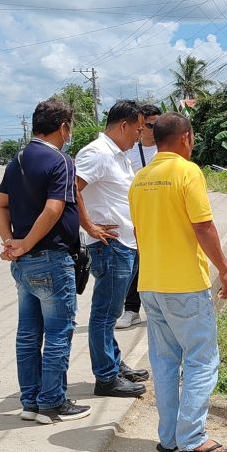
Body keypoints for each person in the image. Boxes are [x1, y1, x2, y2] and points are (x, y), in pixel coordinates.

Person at [129, 112, 227, 452]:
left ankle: (169, 436)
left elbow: (138, 232)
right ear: (186, 138)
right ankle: (192, 437)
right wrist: (225, 270)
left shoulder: (141, 178)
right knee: (202, 359)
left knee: (164, 361)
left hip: (150, 283)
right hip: (184, 285)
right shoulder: (188, 172)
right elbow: (204, 227)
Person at [0, 98, 91, 424]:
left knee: (28, 334)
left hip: (25, 266)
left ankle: (30, 403)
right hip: (51, 258)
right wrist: (24, 243)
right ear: (63, 127)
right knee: (59, 332)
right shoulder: (61, 160)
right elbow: (53, 209)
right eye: (70, 127)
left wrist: (12, 242)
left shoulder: (17, 159)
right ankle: (52, 403)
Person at [75, 100, 149, 398]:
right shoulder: (97, 153)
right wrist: (90, 226)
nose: (139, 136)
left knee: (112, 310)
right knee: (105, 314)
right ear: (123, 126)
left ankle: (114, 364)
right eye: (138, 129)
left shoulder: (118, 155)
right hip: (111, 246)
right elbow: (71, 188)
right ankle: (105, 378)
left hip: (125, 244)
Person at [116, 103, 161, 329]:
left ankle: (161, 308)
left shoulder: (167, 150)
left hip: (162, 214)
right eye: (149, 125)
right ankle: (131, 310)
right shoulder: (128, 152)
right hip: (135, 214)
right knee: (136, 262)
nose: (153, 130)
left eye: (157, 125)